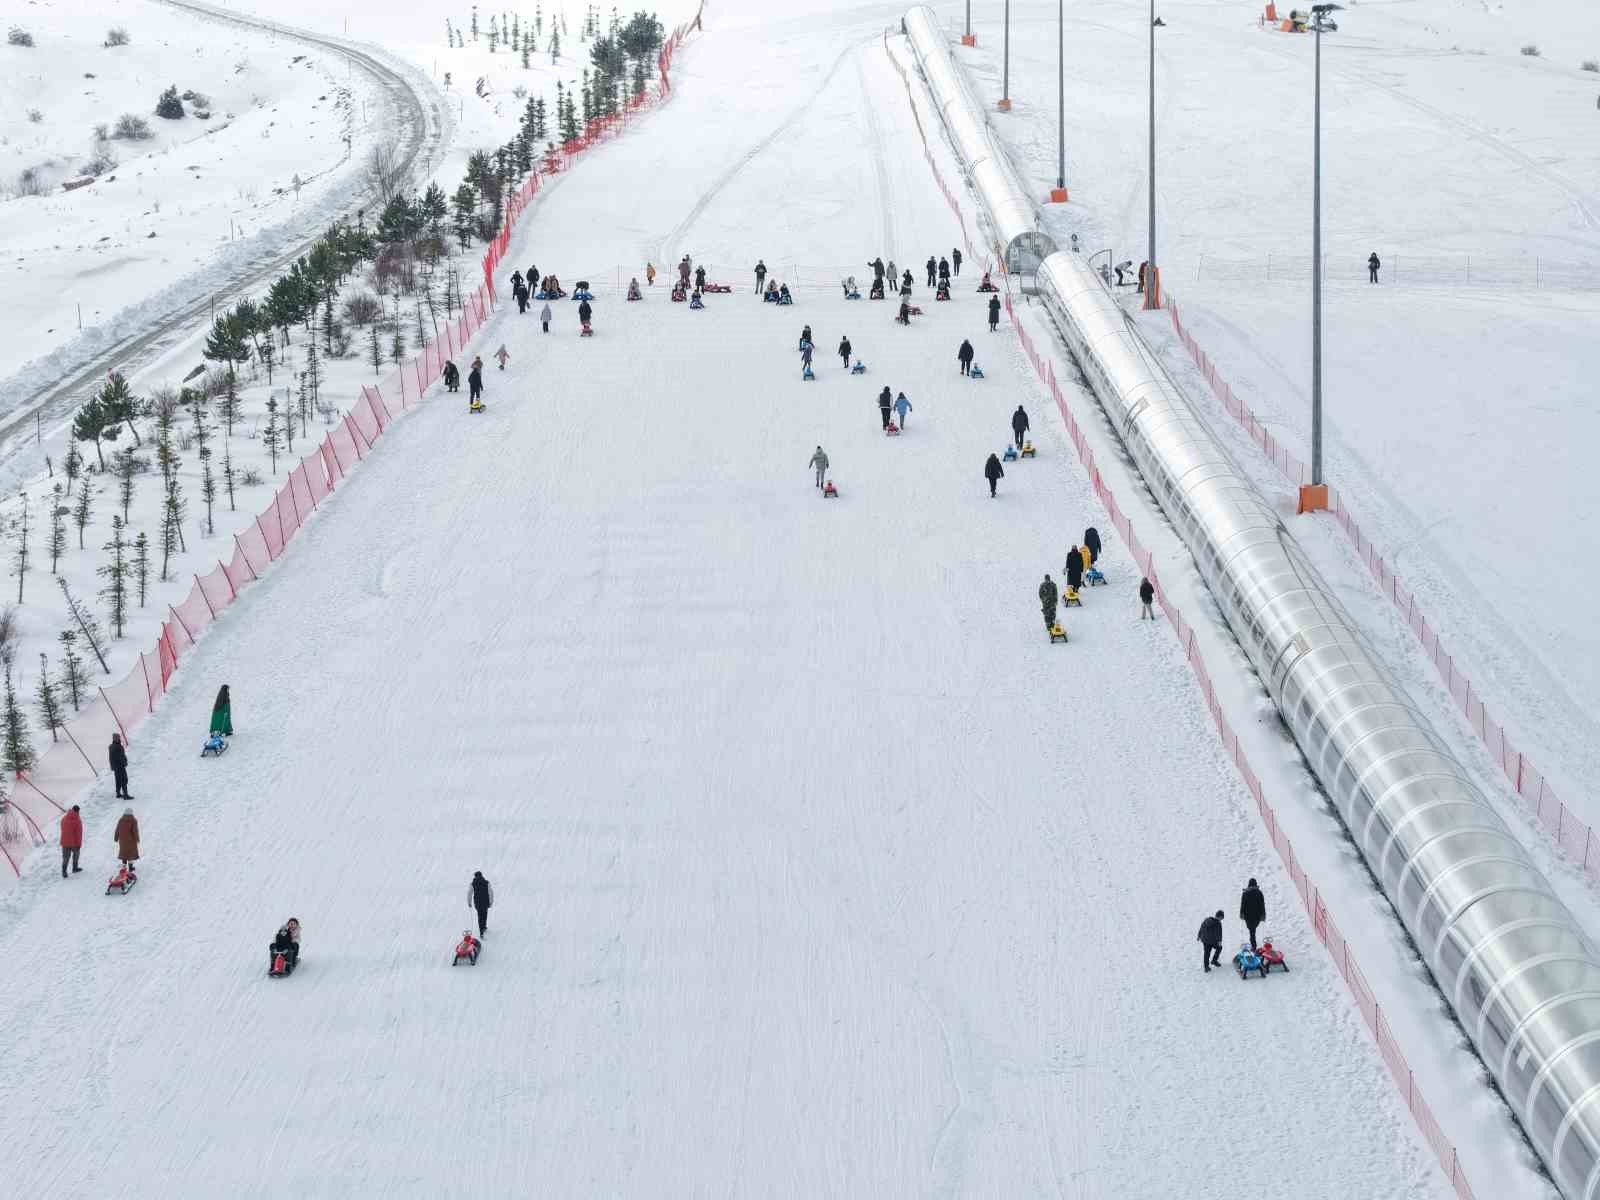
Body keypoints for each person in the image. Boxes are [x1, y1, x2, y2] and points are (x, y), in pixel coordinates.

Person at [1240, 878, 1266, 951]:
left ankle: (1253, 946)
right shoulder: (1259, 892)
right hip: (1257, 915)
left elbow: (1243, 904)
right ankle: (1253, 944)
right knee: (1253, 930)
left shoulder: (1245, 893)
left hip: (1248, 915)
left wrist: (1241, 913)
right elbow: (1262, 905)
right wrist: (1263, 914)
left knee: (1251, 930)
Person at [60, 804, 83, 877]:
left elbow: (62, 828)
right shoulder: (77, 820)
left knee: (65, 857)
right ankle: (74, 868)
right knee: (76, 854)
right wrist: (79, 844)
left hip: (65, 841)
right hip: (74, 843)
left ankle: (64, 871)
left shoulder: (63, 818)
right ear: (78, 811)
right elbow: (79, 834)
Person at [114, 807, 140, 871]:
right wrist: (137, 839)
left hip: (122, 840)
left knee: (124, 853)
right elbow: (135, 831)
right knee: (130, 853)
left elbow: (117, 829)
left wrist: (116, 837)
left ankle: (124, 866)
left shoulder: (121, 820)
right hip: (131, 840)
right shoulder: (133, 820)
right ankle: (131, 867)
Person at [469, 871, 494, 935]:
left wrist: (469, 902)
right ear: (482, 875)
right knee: (485, 914)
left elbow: (469, 893)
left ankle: (481, 931)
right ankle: (484, 926)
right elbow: (491, 893)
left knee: (479, 916)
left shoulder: (472, 884)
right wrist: (491, 902)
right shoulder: (486, 882)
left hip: (477, 902)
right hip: (485, 902)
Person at [109, 733, 131, 800]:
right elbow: (119, 757)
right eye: (118, 738)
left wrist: (113, 766)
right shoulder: (116, 747)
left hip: (116, 767)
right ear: (114, 738)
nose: (119, 739)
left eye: (119, 737)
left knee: (118, 780)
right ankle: (125, 795)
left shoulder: (112, 746)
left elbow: (111, 758)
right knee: (124, 780)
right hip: (120, 766)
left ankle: (118, 793)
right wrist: (124, 762)